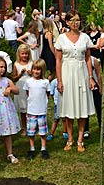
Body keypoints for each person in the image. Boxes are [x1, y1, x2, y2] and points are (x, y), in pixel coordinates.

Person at [55, 10, 96, 152]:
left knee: (81, 106)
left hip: (81, 72)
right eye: (72, 20)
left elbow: (88, 58)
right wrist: (59, 80)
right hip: (67, 73)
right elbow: (58, 60)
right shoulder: (61, 38)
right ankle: (70, 139)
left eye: (77, 20)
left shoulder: (85, 37)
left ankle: (80, 140)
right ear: (67, 22)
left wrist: (91, 78)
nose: (75, 22)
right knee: (69, 107)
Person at [24, 59, 50, 159]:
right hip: (31, 111)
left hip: (41, 110)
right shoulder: (28, 81)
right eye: (34, 69)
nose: (36, 71)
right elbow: (28, 93)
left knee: (42, 131)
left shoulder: (45, 82)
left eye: (38, 70)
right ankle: (32, 148)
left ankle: (43, 148)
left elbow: (47, 94)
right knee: (31, 131)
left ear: (42, 70)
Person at [12, 44, 32, 136]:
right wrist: (20, 74)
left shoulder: (31, 63)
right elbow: (14, 78)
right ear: (19, 54)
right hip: (20, 87)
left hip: (30, 87)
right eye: (22, 54)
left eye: (26, 54)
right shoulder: (16, 64)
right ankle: (24, 128)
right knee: (23, 110)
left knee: (31, 108)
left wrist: (30, 73)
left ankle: (31, 126)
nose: (24, 56)